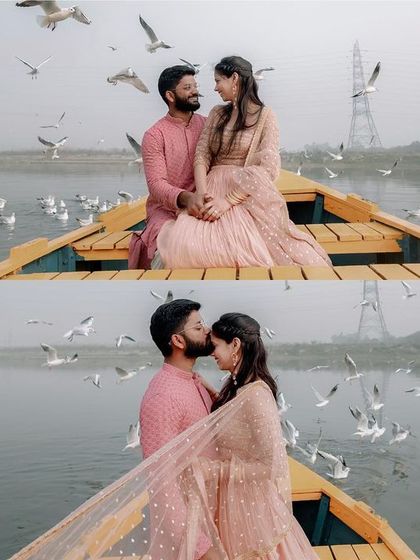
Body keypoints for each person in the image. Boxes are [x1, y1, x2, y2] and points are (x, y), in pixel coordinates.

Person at [13, 312, 318, 560]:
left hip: (242, 517)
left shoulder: (227, 389)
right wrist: (200, 548)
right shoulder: (165, 395)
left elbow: (268, 461)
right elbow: (161, 483)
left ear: (236, 346)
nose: (208, 334)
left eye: (212, 334)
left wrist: (212, 467)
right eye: (199, 327)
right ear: (177, 340)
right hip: (207, 526)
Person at [157, 56, 332, 269]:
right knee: (187, 244)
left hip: (243, 193)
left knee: (250, 249)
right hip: (211, 188)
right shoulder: (217, 113)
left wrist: (227, 202)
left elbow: (267, 169)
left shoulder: (266, 116)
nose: (215, 88)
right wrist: (202, 194)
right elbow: (202, 155)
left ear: (235, 79)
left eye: (218, 80)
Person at [128, 66, 209, 269]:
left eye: (195, 86)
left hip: (207, 204)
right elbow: (156, 185)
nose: (195, 91)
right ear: (170, 96)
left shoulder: (209, 125)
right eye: (188, 87)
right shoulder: (155, 135)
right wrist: (187, 198)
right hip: (166, 211)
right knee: (170, 250)